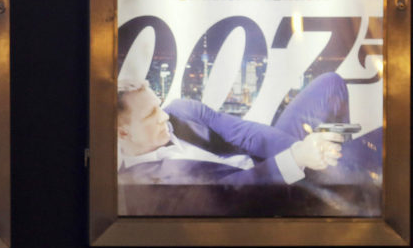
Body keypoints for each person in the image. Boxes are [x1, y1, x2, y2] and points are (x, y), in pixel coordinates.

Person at [115, 72, 385, 214]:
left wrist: (309, 154)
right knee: (383, 144)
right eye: (151, 114)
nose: (163, 115)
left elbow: (245, 133)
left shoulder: (180, 111)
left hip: (268, 163)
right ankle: (349, 184)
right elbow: (230, 197)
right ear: (122, 132)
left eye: (157, 106)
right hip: (262, 198)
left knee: (331, 84)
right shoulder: (139, 184)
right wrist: (298, 159)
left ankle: (341, 180)